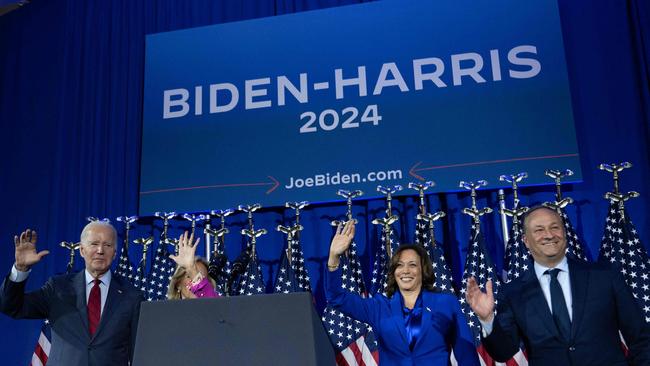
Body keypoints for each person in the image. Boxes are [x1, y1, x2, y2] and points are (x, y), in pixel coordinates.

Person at [465, 206, 650, 365]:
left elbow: (641, 337)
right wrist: (487, 319)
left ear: (564, 233)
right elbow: (504, 352)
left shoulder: (604, 275)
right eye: (538, 230)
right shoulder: (513, 292)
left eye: (555, 227)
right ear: (526, 240)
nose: (549, 235)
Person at [326, 221, 480, 366]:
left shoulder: (446, 303)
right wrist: (334, 256)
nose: (405, 271)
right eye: (399, 265)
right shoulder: (379, 306)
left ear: (423, 270)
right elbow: (336, 297)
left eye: (412, 265)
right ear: (394, 271)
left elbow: (466, 354)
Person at [0, 221, 144, 366]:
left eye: (107, 245)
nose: (100, 250)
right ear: (81, 250)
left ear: (114, 253)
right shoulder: (58, 288)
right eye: (94, 244)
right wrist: (21, 269)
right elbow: (11, 307)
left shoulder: (131, 296)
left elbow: (139, 352)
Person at [167, 231, 218, 299]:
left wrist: (190, 268)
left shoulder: (217, 307)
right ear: (178, 284)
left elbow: (212, 303)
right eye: (188, 276)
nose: (193, 282)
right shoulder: (163, 309)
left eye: (201, 278)